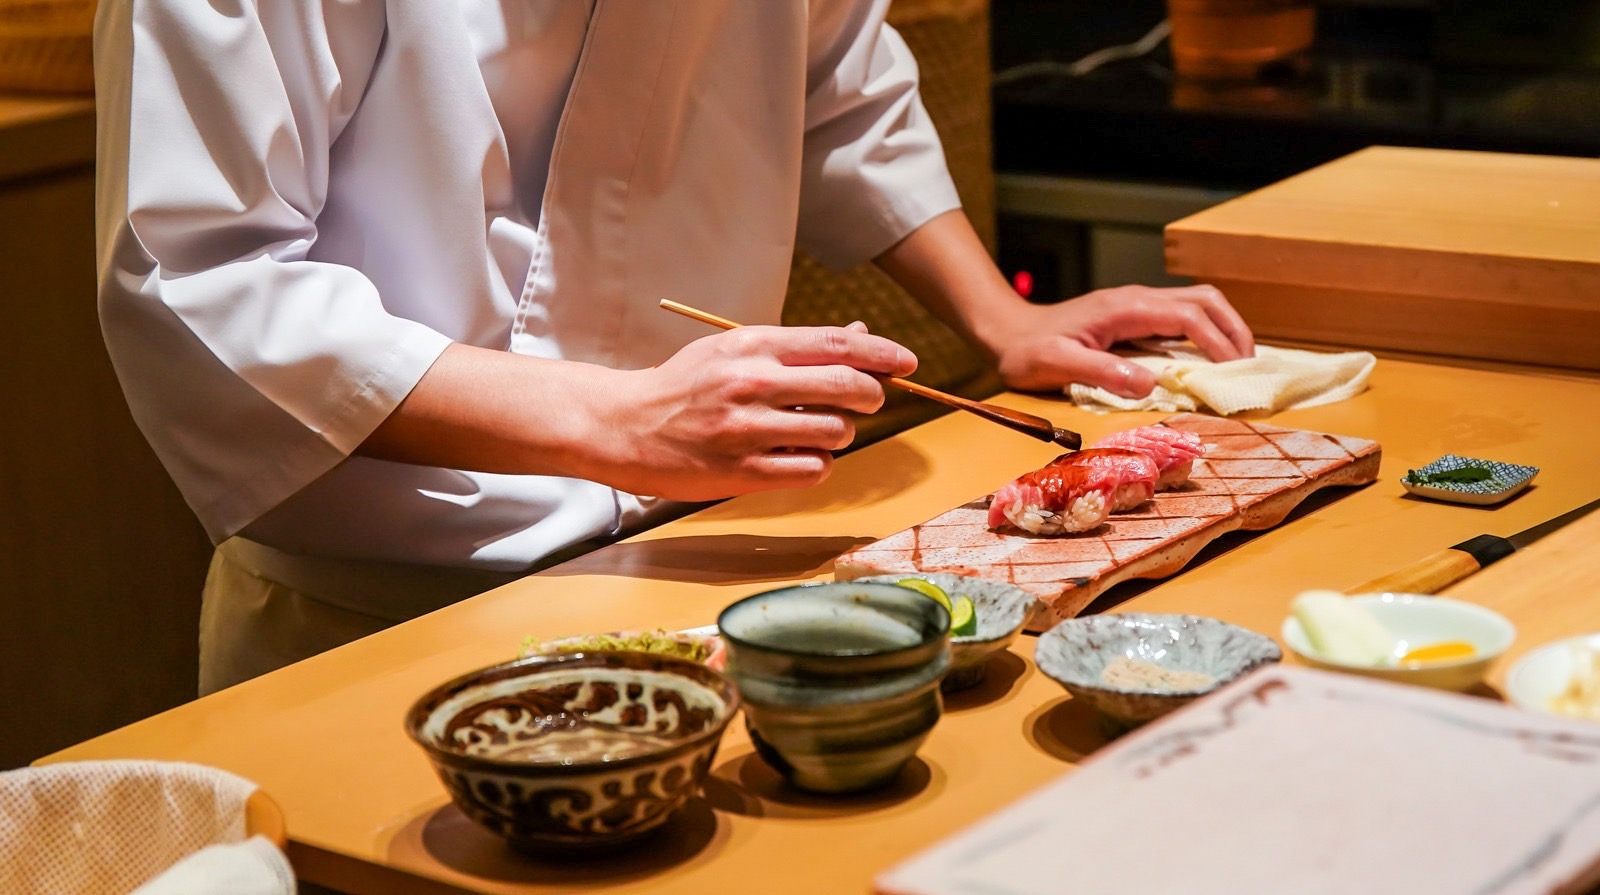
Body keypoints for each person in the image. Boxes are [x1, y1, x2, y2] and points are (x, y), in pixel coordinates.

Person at [94, 1, 1254, 694]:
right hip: (368, 619)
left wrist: (1004, 319)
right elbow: (203, 278)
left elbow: (841, 86)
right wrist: (618, 421)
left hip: (698, 579)